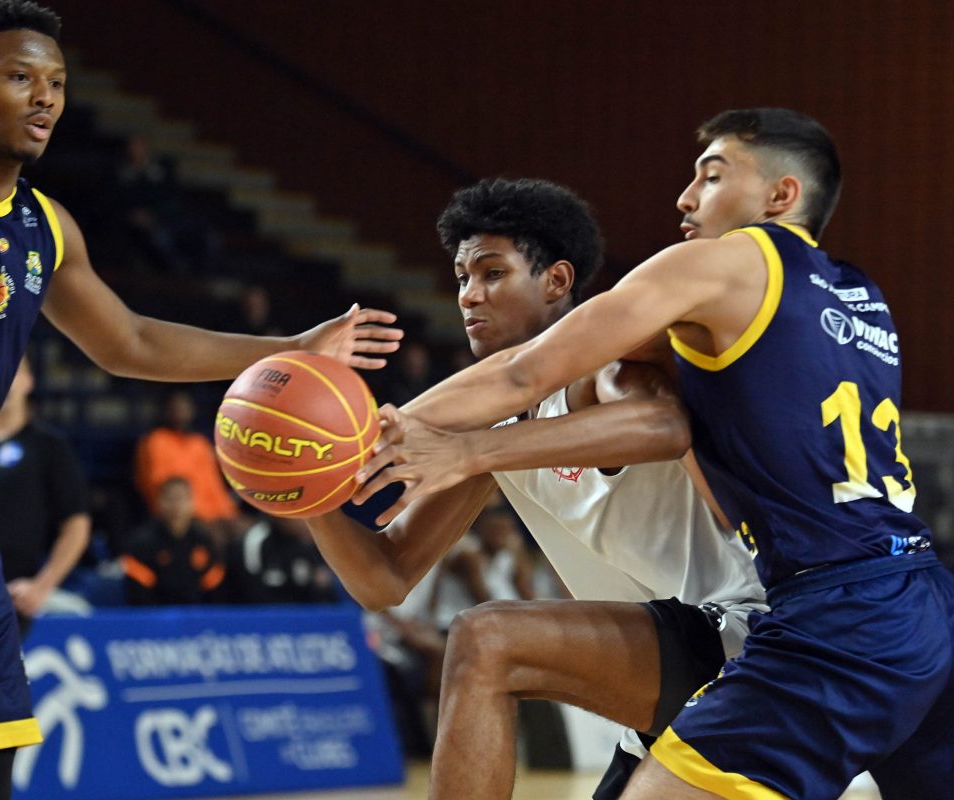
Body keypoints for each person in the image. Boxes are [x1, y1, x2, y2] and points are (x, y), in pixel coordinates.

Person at [0, 2, 401, 798]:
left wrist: (293, 347)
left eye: (57, 83)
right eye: (20, 77)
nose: (45, 98)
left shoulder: (48, 225)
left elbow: (130, 342)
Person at [361, 110, 954, 799]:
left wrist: (375, 431)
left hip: (832, 613)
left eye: (712, 176)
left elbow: (526, 371)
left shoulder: (716, 263)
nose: (685, 198)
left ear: (781, 196)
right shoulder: (862, 299)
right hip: (922, 596)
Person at [307, 177, 765, 800]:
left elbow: (663, 424)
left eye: (492, 273)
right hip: (669, 667)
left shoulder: (607, 367)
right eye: (462, 278)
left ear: (556, 281)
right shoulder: (494, 420)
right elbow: (384, 579)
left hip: (745, 635)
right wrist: (304, 492)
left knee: (485, 640)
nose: (469, 295)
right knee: (484, 641)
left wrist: (468, 451)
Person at [0, 355, 89, 638]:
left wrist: (42, 586)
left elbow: (76, 526)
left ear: (29, 381)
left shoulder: (49, 446)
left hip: (8, 593)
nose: (5, 378)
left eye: (14, 370)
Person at [133, 389, 237, 527]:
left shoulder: (200, 443)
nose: (180, 413)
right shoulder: (155, 441)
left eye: (184, 408)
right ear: (166, 410)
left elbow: (214, 486)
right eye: (175, 408)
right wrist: (197, 514)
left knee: (247, 529)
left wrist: (228, 514)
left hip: (214, 515)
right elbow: (159, 488)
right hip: (180, 514)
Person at [119, 477, 226, 606]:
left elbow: (214, 591)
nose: (176, 507)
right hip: (154, 613)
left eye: (182, 499)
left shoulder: (204, 540)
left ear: (192, 503)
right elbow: (139, 595)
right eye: (170, 499)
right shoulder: (141, 543)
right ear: (158, 502)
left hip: (196, 614)